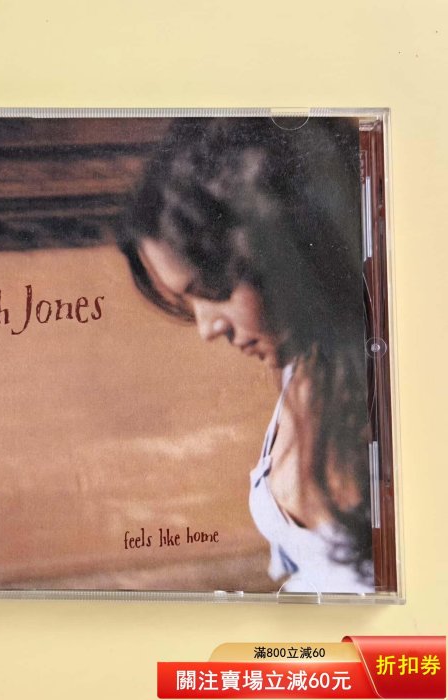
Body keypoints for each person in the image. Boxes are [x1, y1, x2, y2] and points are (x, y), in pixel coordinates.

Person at [117, 117, 374, 593]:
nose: (207, 328)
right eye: (187, 303)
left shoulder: (397, 387)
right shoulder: (302, 364)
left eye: (211, 289)